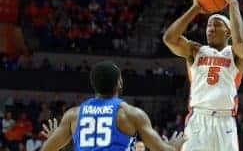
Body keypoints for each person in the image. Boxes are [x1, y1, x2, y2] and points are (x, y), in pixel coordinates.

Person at [163, 0, 243, 150]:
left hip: (225, 121)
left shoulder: (236, 53)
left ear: (228, 32)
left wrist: (233, 3)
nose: (210, 28)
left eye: (216, 24)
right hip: (198, 119)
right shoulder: (196, 50)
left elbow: (240, 43)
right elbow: (169, 38)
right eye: (209, 25)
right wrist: (195, 8)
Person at [41, 61, 184, 151]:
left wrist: (54, 142)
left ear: (94, 85)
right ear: (120, 83)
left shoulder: (73, 115)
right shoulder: (130, 114)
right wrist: (173, 146)